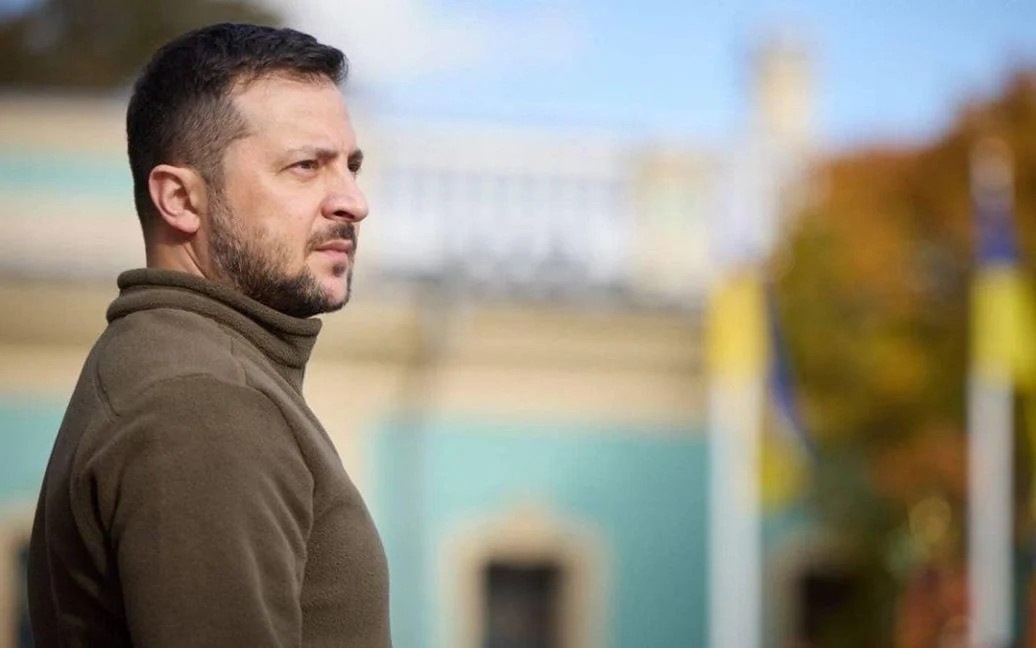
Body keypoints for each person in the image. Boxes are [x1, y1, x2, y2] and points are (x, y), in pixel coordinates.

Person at [27, 23, 391, 647]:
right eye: (306, 166)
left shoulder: (191, 368)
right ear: (179, 199)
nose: (353, 202)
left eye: (350, 166)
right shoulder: (200, 399)